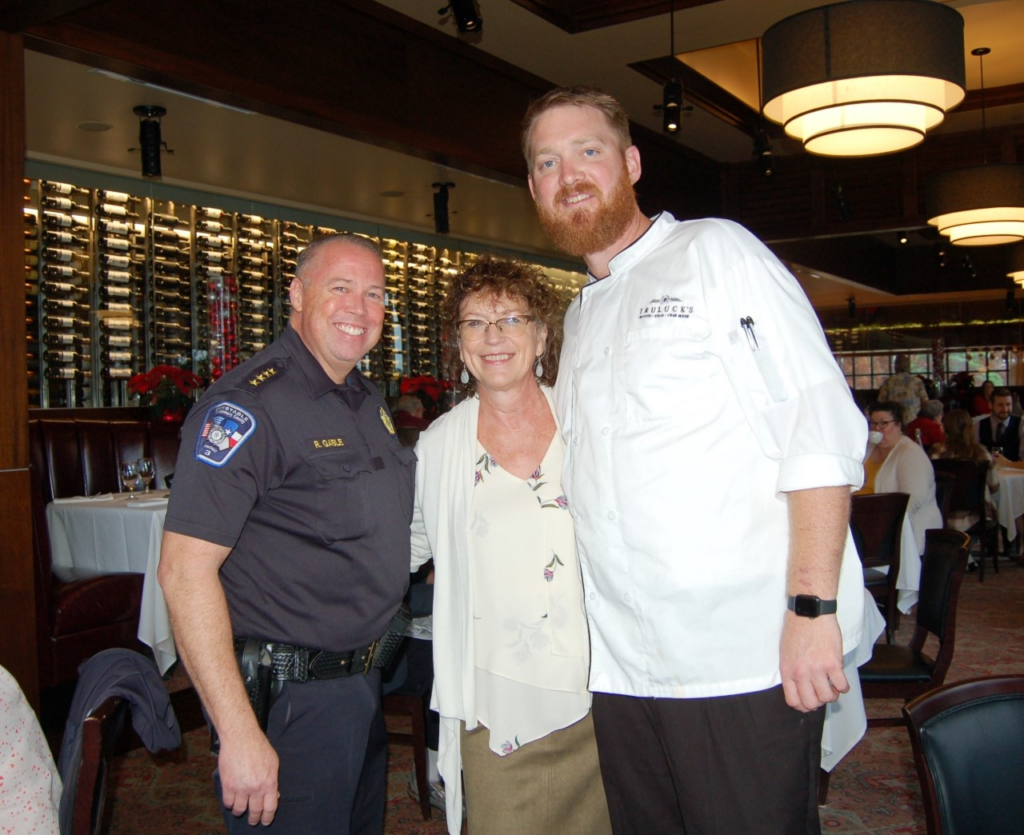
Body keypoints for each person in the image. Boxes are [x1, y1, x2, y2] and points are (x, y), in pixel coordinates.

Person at [522, 86, 868, 834]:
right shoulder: (578, 318)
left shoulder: (717, 252)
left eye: (589, 151)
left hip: (740, 658)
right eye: (547, 161)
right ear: (533, 186)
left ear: (633, 162)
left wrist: (811, 609)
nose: (569, 173)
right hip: (620, 668)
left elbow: (817, 433)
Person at [158, 234, 416, 834]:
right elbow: (183, 572)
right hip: (288, 706)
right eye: (341, 288)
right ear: (297, 295)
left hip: (359, 689)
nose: (360, 306)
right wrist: (238, 732)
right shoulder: (247, 408)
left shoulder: (363, 398)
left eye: (374, 293)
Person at [410, 254, 611, 834]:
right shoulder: (440, 445)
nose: (493, 337)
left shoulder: (587, 418)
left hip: (601, 687)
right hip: (496, 700)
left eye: (511, 321)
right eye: (475, 323)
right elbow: (408, 542)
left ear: (543, 335)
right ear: (458, 341)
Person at [862, 402, 943, 555]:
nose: (876, 429)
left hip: (899, 531)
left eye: (883, 424)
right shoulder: (868, 449)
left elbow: (914, 500)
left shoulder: (910, 454)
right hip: (865, 521)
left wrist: (881, 522)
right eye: (873, 423)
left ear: (898, 425)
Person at [931, 409, 999, 532]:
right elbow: (994, 486)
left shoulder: (935, 453)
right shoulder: (981, 453)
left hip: (943, 512)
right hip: (977, 515)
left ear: (945, 428)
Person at [976, 387, 1023, 461]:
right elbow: (975, 456)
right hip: (987, 471)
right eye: (1000, 405)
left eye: (1008, 404)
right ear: (990, 405)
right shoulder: (979, 425)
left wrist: (1007, 464)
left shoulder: (1021, 424)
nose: (1005, 409)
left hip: (1014, 471)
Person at [877, 355, 929, 422]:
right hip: (913, 418)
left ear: (896, 366)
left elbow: (881, 402)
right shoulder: (917, 381)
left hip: (894, 418)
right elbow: (925, 401)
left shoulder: (889, 382)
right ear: (908, 366)